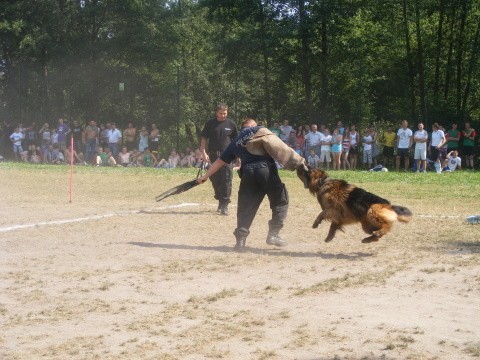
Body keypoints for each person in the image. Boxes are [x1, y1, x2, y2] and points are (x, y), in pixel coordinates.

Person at [197, 118, 306, 252]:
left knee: (245, 207)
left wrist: (205, 176)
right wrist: (299, 163)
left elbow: (220, 161)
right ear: (252, 125)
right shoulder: (258, 130)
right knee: (280, 200)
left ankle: (240, 242)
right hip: (265, 170)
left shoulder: (235, 142)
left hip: (248, 174)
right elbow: (279, 146)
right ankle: (273, 234)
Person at [200, 104, 238, 215]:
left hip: (227, 157)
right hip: (213, 156)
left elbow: (236, 140)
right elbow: (203, 138)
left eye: (225, 113)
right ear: (216, 112)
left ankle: (224, 205)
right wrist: (203, 152)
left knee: (226, 180)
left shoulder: (231, 124)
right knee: (215, 179)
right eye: (221, 113)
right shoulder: (210, 123)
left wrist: (238, 156)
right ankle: (220, 198)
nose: (223, 115)